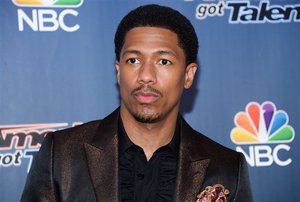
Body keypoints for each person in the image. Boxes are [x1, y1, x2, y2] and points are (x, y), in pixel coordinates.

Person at [21, 4, 252, 202]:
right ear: (118, 71)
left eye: (163, 61)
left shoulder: (227, 167)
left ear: (188, 75)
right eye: (133, 60)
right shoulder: (61, 154)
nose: (146, 75)